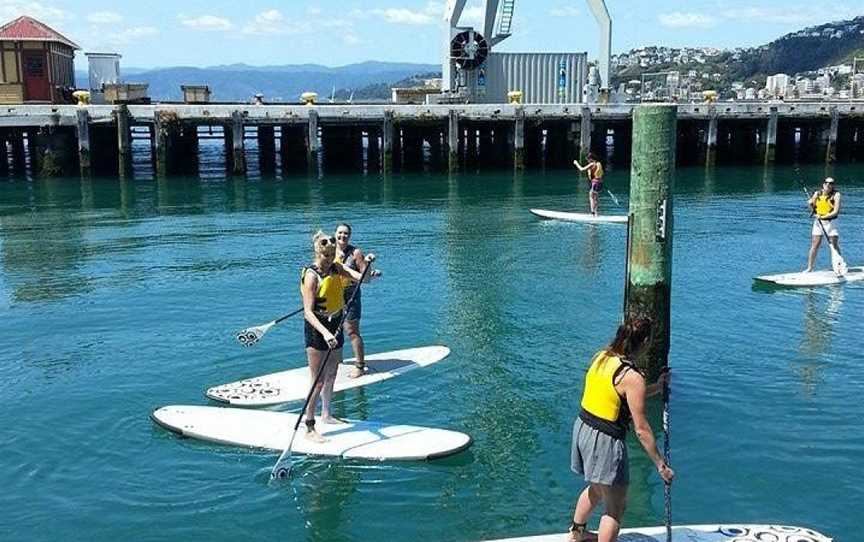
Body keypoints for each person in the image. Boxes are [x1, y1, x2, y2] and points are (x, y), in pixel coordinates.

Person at [569, 318, 674, 542]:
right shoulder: (633, 377)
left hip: (583, 430)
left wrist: (657, 386)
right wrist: (661, 465)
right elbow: (642, 430)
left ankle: (576, 534)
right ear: (645, 341)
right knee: (615, 507)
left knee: (597, 488)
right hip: (605, 441)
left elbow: (618, 393)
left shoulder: (602, 357)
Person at [301, 230, 375, 443]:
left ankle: (327, 414)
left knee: (332, 373)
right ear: (318, 253)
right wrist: (325, 333)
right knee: (318, 380)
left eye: (332, 254)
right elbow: (307, 311)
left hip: (336, 323)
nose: (329, 258)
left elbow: (364, 281)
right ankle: (309, 426)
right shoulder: (311, 276)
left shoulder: (337, 267)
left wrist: (367, 265)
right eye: (326, 255)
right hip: (318, 328)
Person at [334, 223, 382, 378]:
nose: (343, 236)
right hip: (332, 296)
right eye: (340, 233)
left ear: (350, 236)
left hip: (351, 295)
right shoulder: (329, 249)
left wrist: (369, 264)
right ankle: (337, 362)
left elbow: (365, 278)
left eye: (346, 233)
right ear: (335, 234)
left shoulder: (355, 253)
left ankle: (360, 366)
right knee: (335, 331)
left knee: (352, 331)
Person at [805, 177, 842, 273]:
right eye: (827, 183)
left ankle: (838, 267)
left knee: (834, 245)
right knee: (815, 244)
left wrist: (823, 217)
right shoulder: (817, 194)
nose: (829, 185)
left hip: (830, 223)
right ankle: (809, 268)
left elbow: (836, 212)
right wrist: (809, 204)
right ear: (823, 184)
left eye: (831, 183)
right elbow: (812, 208)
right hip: (818, 223)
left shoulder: (836, 195)